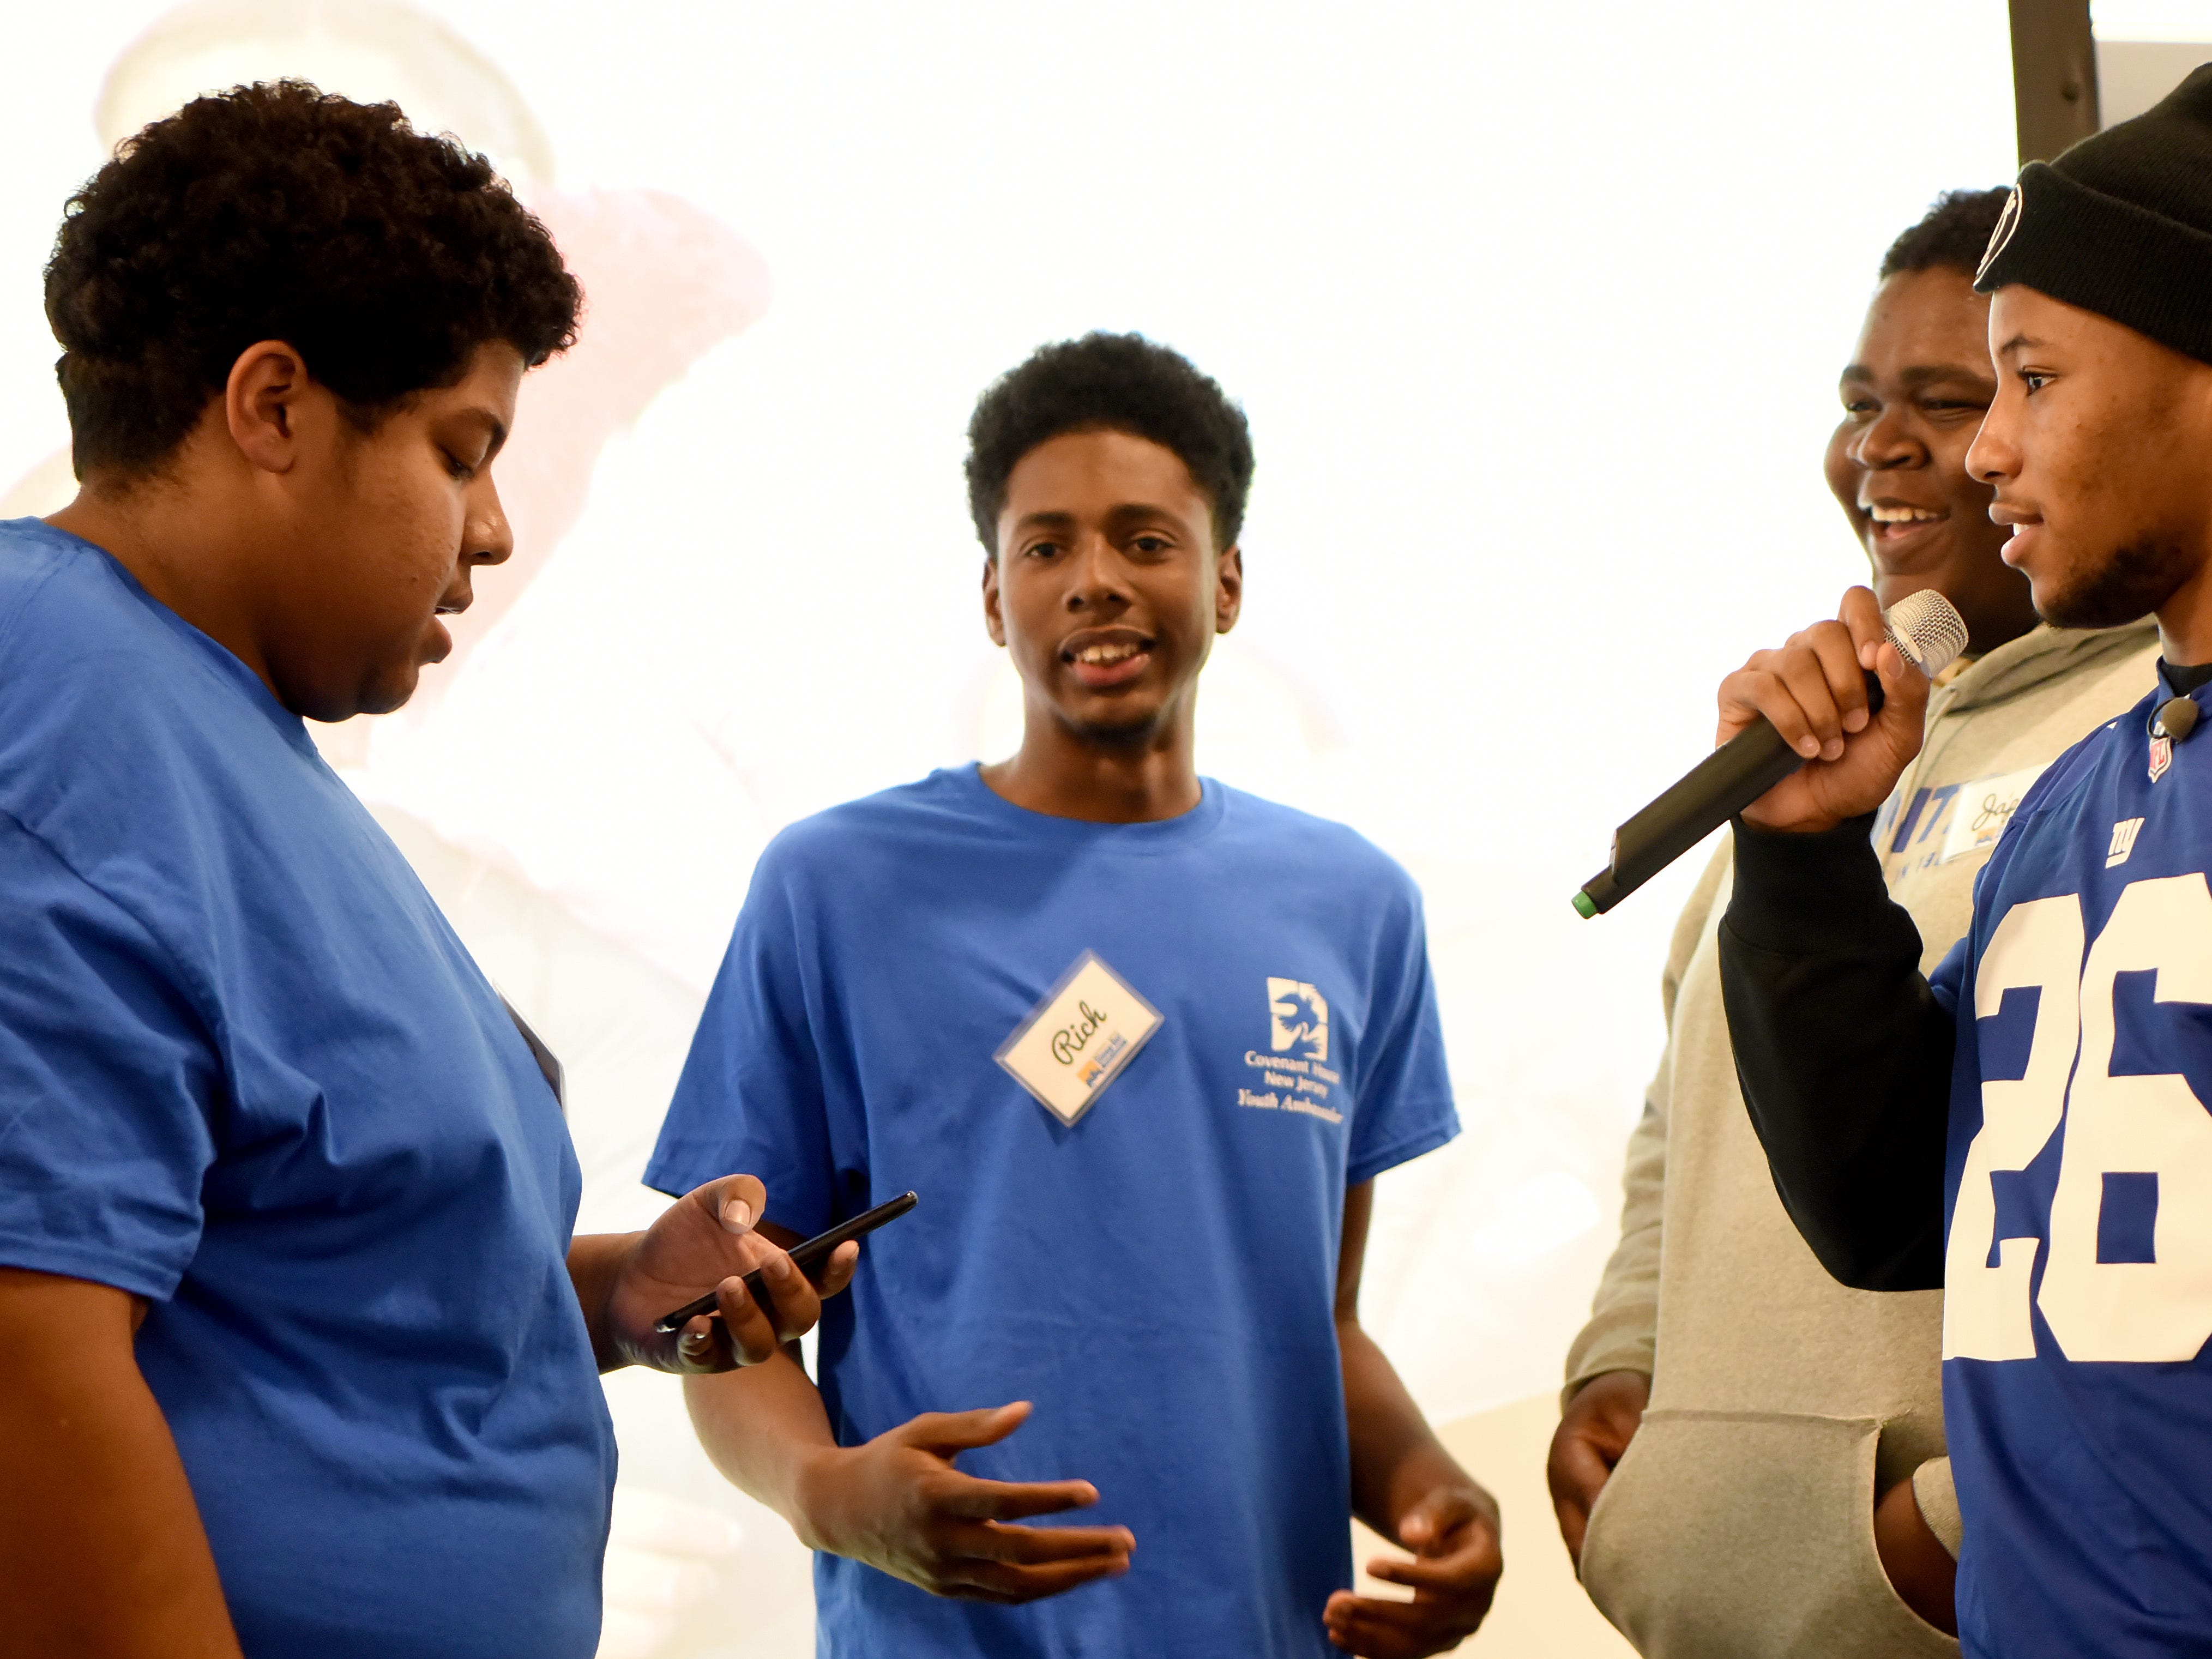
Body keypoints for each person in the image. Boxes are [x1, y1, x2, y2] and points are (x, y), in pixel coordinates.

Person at [0, 83, 846, 1659]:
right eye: (463, 453)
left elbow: (300, 1265)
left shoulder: (244, 752)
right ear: (272, 409)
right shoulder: (53, 708)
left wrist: (609, 1295)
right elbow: (23, 1350)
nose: (501, 528)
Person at [645, 332, 1501, 1658]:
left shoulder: (1352, 905)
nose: (1095, 581)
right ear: (993, 597)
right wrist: (827, 1495)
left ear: (1224, 581)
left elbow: (1313, 1321)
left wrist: (1430, 1490)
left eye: (1145, 540)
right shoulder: (834, 886)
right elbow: (722, 1316)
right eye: (1046, 548)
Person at [1545, 190, 2159, 1655]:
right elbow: (1678, 1121)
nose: (1882, 444)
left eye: (1957, 397)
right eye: (1861, 401)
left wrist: (1936, 1535)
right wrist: (1618, 1364)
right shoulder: (1819, 748)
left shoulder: (2150, 739)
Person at [1708, 68, 2212, 1658]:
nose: (1983, 449)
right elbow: (1886, 1211)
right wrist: (1802, 862)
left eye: (2032, 379)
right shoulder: (2080, 796)